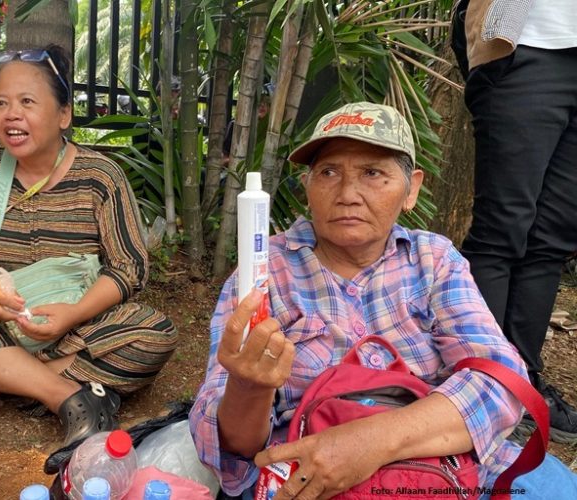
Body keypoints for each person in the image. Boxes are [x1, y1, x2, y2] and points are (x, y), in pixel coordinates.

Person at [189, 102, 577, 499]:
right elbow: (228, 446)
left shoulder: (433, 260)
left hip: (445, 463)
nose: (347, 194)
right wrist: (248, 389)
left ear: (411, 190)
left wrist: (371, 442)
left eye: (372, 173)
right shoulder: (263, 272)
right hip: (309, 473)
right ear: (307, 188)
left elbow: (501, 380)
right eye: (328, 172)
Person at [0, 44, 178, 446]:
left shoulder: (101, 177)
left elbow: (128, 268)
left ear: (63, 115)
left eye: (26, 102)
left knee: (153, 331)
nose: (11, 114)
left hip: (77, 324)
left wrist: (73, 314)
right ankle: (69, 396)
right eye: (1, 103)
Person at [459, 0, 577, 443]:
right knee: (501, 230)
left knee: (553, 239)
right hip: (525, 45)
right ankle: (481, 382)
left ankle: (523, 382)